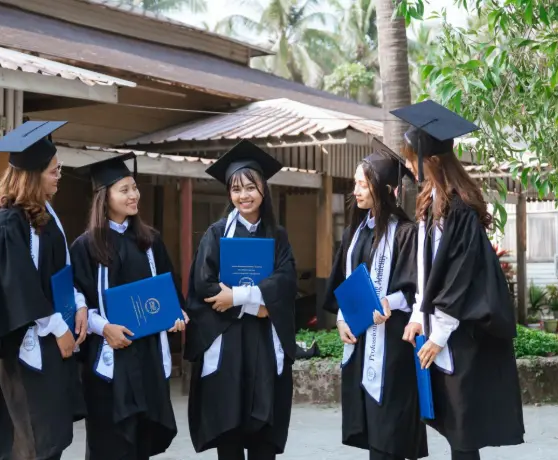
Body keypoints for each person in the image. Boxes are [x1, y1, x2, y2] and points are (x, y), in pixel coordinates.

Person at [392, 100, 525, 460]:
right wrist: (417, 314)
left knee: (464, 433)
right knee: (453, 427)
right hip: (438, 328)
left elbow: (460, 277)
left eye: (412, 159)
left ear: (431, 160)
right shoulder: (430, 204)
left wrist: (437, 335)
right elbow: (425, 270)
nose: (409, 166)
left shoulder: (459, 210)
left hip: (460, 333)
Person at [0, 121, 88, 460]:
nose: (59, 177)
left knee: (49, 435)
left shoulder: (45, 215)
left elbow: (59, 270)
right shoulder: (9, 222)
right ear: (32, 176)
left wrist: (78, 303)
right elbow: (17, 285)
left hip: (49, 340)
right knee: (28, 439)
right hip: (21, 345)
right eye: (54, 171)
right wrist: (58, 327)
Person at [184, 140, 298, 460]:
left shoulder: (277, 235)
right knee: (229, 430)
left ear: (263, 189)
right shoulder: (217, 233)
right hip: (228, 343)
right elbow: (203, 286)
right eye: (236, 189)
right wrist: (253, 305)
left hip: (264, 342)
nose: (243, 195)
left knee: (263, 434)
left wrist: (237, 296)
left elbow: (286, 281)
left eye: (250, 187)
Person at [69, 153, 187, 460]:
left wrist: (177, 315)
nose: (134, 195)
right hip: (108, 359)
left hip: (147, 357)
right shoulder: (85, 246)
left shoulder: (150, 241)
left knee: (141, 441)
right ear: (104, 197)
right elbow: (75, 300)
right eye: (124, 190)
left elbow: (170, 293)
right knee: (108, 444)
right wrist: (104, 328)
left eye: (135, 188)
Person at [322, 142, 428, 460]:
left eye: (363, 184)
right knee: (372, 432)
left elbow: (416, 290)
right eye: (355, 183)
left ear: (385, 189)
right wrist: (341, 319)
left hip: (392, 347)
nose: (355, 191)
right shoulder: (354, 234)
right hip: (360, 342)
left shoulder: (406, 233)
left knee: (389, 436)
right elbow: (343, 285)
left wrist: (388, 302)